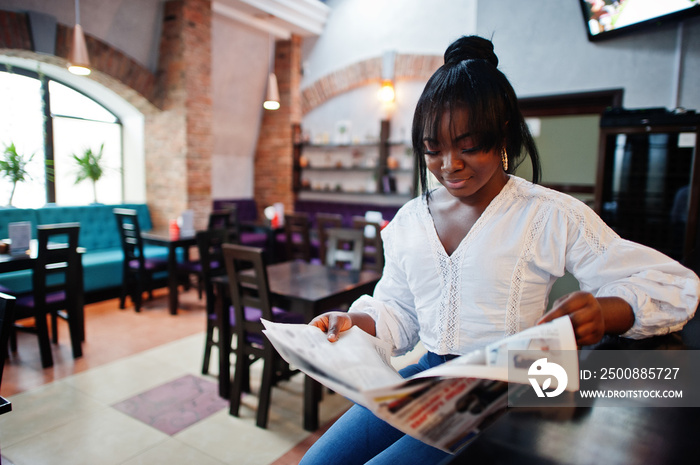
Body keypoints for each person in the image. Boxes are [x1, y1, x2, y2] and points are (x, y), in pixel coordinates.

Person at [299, 35, 700, 465]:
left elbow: (674, 286)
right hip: (429, 374)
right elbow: (399, 310)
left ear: (502, 134)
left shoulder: (547, 215)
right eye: (433, 149)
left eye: (468, 147)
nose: (449, 165)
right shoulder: (411, 221)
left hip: (507, 384)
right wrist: (354, 321)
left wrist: (603, 313)